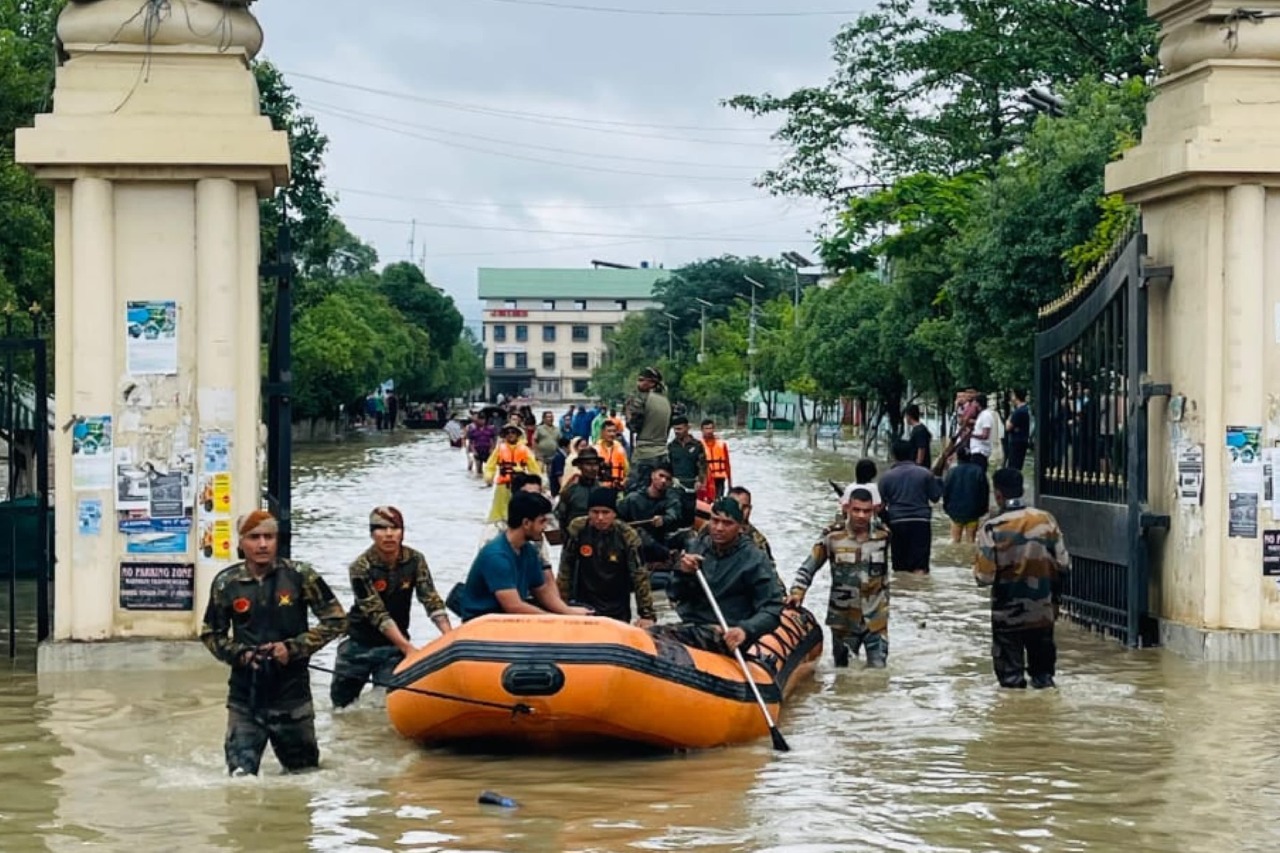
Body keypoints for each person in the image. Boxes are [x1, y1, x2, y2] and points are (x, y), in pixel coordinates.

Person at [199, 510, 346, 776]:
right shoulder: (226, 583)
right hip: (245, 698)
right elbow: (211, 634)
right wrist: (240, 654)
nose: (263, 544)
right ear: (241, 542)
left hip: (293, 697)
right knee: (240, 780)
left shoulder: (300, 575)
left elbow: (336, 620)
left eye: (269, 537)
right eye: (254, 537)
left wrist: (293, 648)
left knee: (304, 778)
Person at [330, 506, 452, 709]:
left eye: (395, 528)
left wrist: (449, 637)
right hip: (358, 644)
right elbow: (377, 613)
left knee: (387, 706)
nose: (389, 534)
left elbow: (430, 598)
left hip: (393, 648)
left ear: (402, 532)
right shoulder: (360, 567)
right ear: (372, 534)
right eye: (381, 528)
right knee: (341, 708)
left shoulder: (415, 560)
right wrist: (409, 649)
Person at [974, 468, 1070, 689]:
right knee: (1044, 681)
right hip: (1042, 612)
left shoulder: (992, 527)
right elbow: (1064, 564)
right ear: (1022, 489)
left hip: (1007, 616)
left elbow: (984, 577)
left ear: (998, 494)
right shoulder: (1045, 520)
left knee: (1011, 684)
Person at [649, 497, 783, 655]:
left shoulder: (755, 559)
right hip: (692, 625)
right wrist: (683, 573)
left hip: (728, 632)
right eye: (715, 521)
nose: (719, 528)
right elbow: (674, 594)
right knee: (650, 634)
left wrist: (745, 629)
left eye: (727, 523)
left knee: (677, 636)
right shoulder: (696, 546)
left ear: (740, 527)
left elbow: (772, 608)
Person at [787, 488, 891, 668]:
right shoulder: (832, 536)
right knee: (843, 673)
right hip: (844, 620)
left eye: (866, 511)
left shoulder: (883, 535)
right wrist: (797, 592)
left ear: (873, 510)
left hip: (876, 618)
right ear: (847, 508)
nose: (861, 516)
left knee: (879, 671)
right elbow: (809, 566)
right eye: (856, 510)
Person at [455, 491, 592, 621]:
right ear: (526, 523)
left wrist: (569, 612)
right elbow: (513, 606)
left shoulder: (529, 551)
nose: (545, 527)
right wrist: (554, 619)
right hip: (483, 620)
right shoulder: (497, 557)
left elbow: (542, 591)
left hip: (506, 617)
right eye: (542, 521)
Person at [558, 488, 656, 626]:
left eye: (605, 512)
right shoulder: (578, 528)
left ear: (614, 513)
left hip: (617, 603)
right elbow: (565, 567)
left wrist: (647, 614)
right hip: (584, 602)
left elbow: (639, 575)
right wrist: (561, 605)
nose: (600, 518)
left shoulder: (627, 535)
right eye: (595, 512)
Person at [879, 439, 943, 574]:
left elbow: (880, 506)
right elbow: (935, 497)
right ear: (912, 454)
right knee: (920, 566)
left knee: (899, 567)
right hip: (921, 522)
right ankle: (919, 587)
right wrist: (938, 478)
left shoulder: (886, 477)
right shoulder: (925, 474)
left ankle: (901, 587)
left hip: (897, 523)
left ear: (893, 455)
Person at [617, 463, 683, 566]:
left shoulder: (671, 501)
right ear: (652, 475)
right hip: (634, 544)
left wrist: (663, 519)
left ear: (671, 483)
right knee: (638, 533)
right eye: (661, 476)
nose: (663, 481)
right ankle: (668, 555)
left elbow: (673, 515)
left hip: (660, 541)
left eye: (668, 479)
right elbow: (618, 517)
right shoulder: (633, 498)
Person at [624, 366, 673, 492]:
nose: (638, 383)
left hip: (644, 454)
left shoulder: (641, 399)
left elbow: (634, 425)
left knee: (635, 491)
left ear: (651, 383)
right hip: (663, 453)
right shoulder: (666, 401)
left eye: (641, 380)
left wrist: (628, 414)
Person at [483, 423, 541, 523]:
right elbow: (490, 465)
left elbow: (533, 467)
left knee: (520, 507)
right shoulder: (499, 449)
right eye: (508, 433)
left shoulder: (525, 450)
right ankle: (499, 522)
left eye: (513, 432)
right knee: (500, 508)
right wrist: (489, 476)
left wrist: (538, 482)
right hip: (503, 485)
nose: (510, 434)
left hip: (520, 483)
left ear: (517, 435)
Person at [942, 448, 991, 543]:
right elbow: (984, 492)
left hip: (955, 512)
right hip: (973, 512)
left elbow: (946, 491)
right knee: (971, 541)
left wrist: (946, 508)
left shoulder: (952, 472)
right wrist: (984, 509)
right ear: (970, 457)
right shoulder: (979, 471)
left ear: (958, 457)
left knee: (955, 541)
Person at [668, 415, 708, 526]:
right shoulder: (671, 447)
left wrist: (700, 480)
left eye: (679, 429)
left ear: (687, 428)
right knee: (675, 507)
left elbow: (703, 465)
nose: (677, 432)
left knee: (689, 511)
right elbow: (667, 466)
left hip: (691, 485)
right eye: (675, 429)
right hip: (676, 485)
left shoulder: (697, 445)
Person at [555, 446, 604, 529]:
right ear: (579, 466)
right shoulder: (570, 491)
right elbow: (561, 517)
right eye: (588, 464)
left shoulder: (602, 491)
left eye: (596, 464)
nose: (593, 468)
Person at [699, 419, 732, 501]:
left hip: (719, 478)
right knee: (706, 501)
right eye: (706, 428)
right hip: (705, 479)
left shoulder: (722, 444)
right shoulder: (698, 445)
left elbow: (727, 464)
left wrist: (730, 484)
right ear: (702, 430)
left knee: (718, 500)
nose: (709, 431)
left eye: (711, 428)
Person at [595, 420, 629, 490]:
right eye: (609, 431)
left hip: (618, 488)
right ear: (602, 432)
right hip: (600, 489)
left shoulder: (620, 449)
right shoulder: (595, 450)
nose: (612, 434)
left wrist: (624, 482)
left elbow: (627, 471)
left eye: (614, 431)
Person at [1005, 389, 1031, 471]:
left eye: (1013, 395)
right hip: (1022, 440)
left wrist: (1008, 420)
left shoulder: (1019, 411)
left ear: (1016, 396)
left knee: (1013, 465)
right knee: (1017, 464)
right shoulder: (1025, 409)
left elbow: (1008, 427)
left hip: (1016, 441)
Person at [968, 394, 995, 470]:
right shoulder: (981, 415)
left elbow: (985, 435)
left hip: (980, 451)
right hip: (976, 450)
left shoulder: (986, 415)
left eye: (974, 402)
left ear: (978, 403)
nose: (972, 405)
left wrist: (971, 435)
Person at [905, 404, 932, 468]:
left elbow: (921, 448)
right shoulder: (920, 428)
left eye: (906, 416)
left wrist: (918, 465)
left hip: (920, 467)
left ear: (909, 416)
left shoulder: (919, 430)